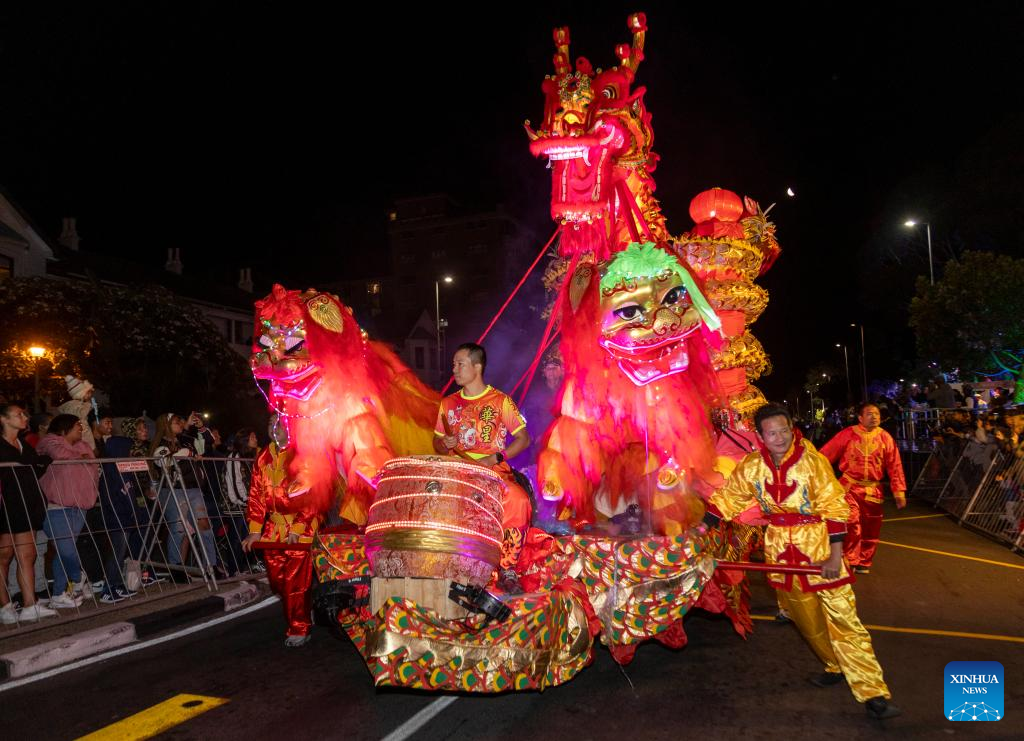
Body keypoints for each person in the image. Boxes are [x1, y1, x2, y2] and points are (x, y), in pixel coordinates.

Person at [702, 403, 900, 720]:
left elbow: (836, 507)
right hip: (781, 553)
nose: (778, 438)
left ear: (791, 429)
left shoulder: (813, 463)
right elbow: (728, 499)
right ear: (761, 436)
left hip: (820, 549)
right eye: (771, 433)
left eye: (783, 430)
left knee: (845, 621)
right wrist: (700, 528)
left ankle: (872, 690)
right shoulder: (752, 466)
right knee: (807, 622)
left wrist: (836, 555)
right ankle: (834, 664)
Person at [433, 343, 532, 589]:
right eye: (453, 364)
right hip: (458, 471)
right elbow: (436, 442)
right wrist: (444, 443)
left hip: (492, 471)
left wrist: (495, 458)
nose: (454, 369)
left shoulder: (500, 401)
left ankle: (508, 569)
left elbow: (524, 439)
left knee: (518, 500)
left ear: (477, 367)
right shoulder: (448, 403)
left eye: (460, 364)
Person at [242, 419, 324, 647]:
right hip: (273, 530)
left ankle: (299, 628)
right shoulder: (263, 457)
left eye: (279, 423)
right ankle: (305, 610)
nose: (273, 427)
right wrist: (255, 531)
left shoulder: (302, 456)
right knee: (278, 582)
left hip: (301, 527)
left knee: (294, 583)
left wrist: (298, 529)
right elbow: (256, 496)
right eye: (270, 423)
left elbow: (312, 498)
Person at [819, 403, 907, 574]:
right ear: (860, 418)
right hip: (848, 487)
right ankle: (849, 559)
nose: (874, 416)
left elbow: (894, 465)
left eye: (876, 414)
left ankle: (864, 561)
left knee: (871, 528)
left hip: (873, 491)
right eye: (869, 413)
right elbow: (824, 455)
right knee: (851, 522)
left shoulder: (885, 438)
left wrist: (899, 491)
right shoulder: (848, 434)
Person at [0, 404, 59, 622]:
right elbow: (30, 464)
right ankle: (6, 607)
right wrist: (36, 461)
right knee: (5, 556)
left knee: (27, 555)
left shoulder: (23, 443)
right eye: (19, 414)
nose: (24, 417)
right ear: (3, 420)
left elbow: (35, 465)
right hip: (9, 505)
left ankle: (28, 605)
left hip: (26, 504)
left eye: (25, 413)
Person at [38, 414, 101, 608]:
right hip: (56, 506)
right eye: (76, 426)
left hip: (80, 506)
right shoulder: (49, 442)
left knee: (62, 552)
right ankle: (78, 576)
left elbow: (93, 467)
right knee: (66, 549)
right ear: (64, 428)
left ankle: (58, 594)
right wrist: (79, 458)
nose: (80, 429)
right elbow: (59, 455)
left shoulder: (83, 446)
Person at [150, 412, 218, 579]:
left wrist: (201, 426)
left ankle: (211, 567)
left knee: (204, 526)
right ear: (166, 425)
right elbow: (161, 461)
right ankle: (176, 569)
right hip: (174, 490)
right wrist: (182, 454)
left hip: (194, 489)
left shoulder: (186, 439)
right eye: (176, 422)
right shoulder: (161, 443)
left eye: (180, 421)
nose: (180, 424)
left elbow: (209, 442)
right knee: (179, 529)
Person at [58, 375, 98, 452]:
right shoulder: (78, 407)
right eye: (88, 392)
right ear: (81, 393)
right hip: (81, 440)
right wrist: (92, 446)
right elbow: (84, 428)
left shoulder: (71, 405)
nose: (90, 395)